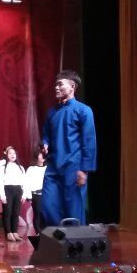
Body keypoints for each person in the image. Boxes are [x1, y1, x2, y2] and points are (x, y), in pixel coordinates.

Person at [41, 70, 97, 226]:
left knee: (73, 211)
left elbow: (89, 141)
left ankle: (74, 240)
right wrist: (45, 143)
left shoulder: (83, 110)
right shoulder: (52, 112)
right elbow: (46, 134)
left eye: (60, 84)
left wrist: (84, 170)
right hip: (53, 167)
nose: (56, 88)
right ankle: (59, 237)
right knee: (47, 207)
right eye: (55, 85)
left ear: (72, 86)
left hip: (73, 167)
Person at [1, 146, 26, 242]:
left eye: (14, 153)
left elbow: (24, 182)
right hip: (7, 189)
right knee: (8, 212)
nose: (12, 155)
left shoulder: (20, 167)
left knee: (16, 212)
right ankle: (8, 232)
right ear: (6, 155)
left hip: (18, 190)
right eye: (10, 153)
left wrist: (24, 194)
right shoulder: (3, 167)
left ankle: (14, 231)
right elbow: (0, 182)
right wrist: (2, 195)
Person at [24, 148, 47, 234]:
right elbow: (27, 183)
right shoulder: (31, 169)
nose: (42, 156)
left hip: (46, 194)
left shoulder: (47, 168)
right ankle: (38, 233)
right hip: (36, 194)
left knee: (45, 214)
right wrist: (29, 196)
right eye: (40, 154)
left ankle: (45, 233)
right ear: (36, 156)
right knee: (37, 214)